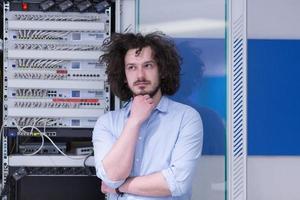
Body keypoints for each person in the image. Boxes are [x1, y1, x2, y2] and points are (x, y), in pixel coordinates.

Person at [92, 32, 203, 200]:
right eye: (132, 67)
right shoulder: (107, 123)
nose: (140, 76)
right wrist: (134, 121)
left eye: (148, 65)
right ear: (124, 76)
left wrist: (120, 187)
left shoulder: (186, 118)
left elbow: (177, 183)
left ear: (162, 71)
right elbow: (111, 177)